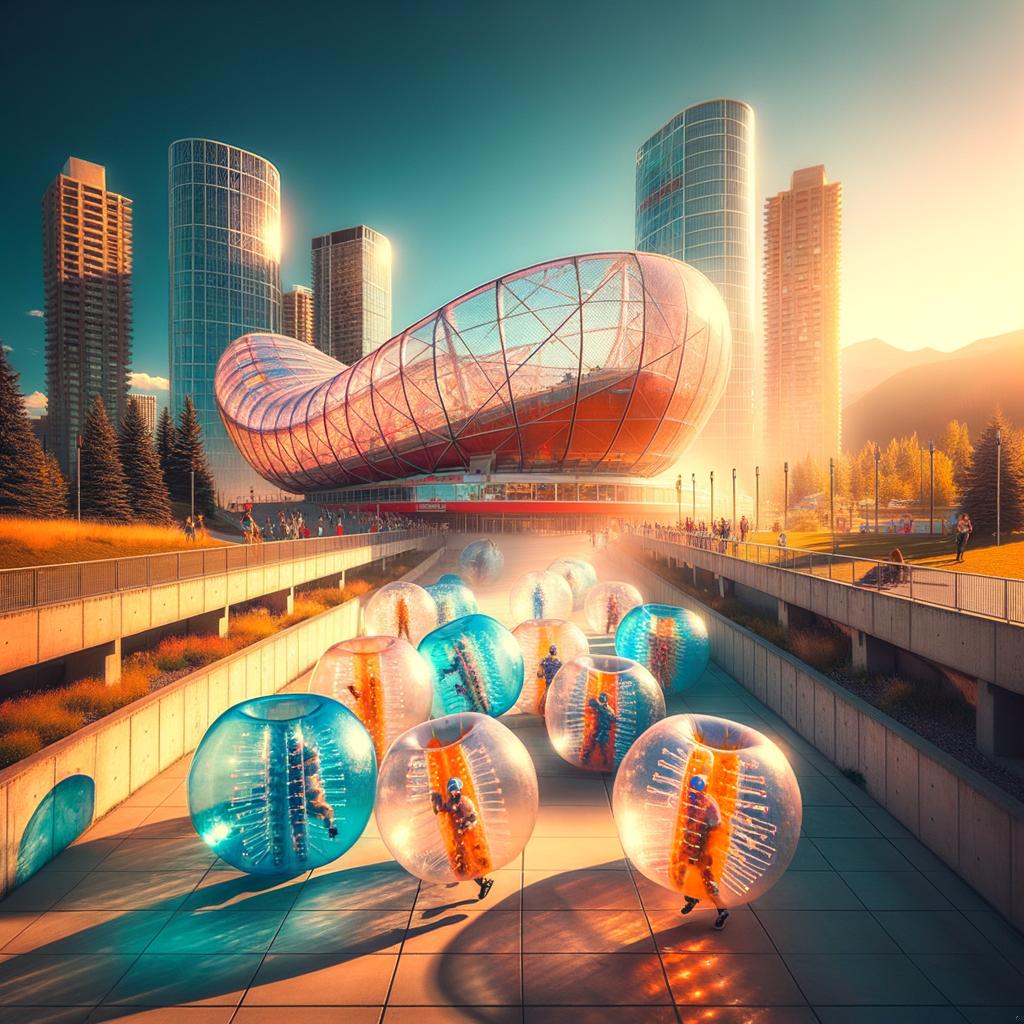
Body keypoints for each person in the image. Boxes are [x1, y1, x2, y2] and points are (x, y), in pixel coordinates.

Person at [431, 777, 494, 899]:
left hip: (468, 837)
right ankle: (483, 882)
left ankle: (485, 882)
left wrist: (463, 827)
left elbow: (473, 818)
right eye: (451, 790)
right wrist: (437, 802)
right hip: (459, 838)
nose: (453, 792)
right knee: (463, 864)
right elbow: (444, 809)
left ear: (459, 789)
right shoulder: (451, 802)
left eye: (455, 789)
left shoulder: (465, 802)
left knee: (469, 863)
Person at [679, 775, 729, 930]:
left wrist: (705, 843)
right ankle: (692, 897)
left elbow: (716, 825)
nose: (694, 793)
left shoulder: (709, 804)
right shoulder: (690, 800)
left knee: (706, 877)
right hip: (692, 844)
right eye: (692, 789)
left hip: (702, 846)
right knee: (684, 871)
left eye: (697, 790)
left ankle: (722, 910)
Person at [581, 691, 617, 765]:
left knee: (601, 746)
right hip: (599, 729)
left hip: (604, 731)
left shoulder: (607, 709)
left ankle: (605, 761)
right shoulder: (602, 708)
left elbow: (613, 718)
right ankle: (587, 757)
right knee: (594, 744)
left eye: (602, 700)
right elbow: (592, 703)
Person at [537, 644, 561, 712]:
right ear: (556, 652)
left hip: (548, 683)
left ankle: (545, 710)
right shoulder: (559, 662)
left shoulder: (544, 661)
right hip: (555, 684)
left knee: (547, 696)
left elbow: (539, 674)